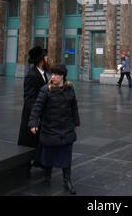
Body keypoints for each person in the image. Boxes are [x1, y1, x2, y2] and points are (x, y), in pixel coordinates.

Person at [29, 64, 80, 195]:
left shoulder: (69, 88)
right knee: (49, 153)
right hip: (50, 127)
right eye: (52, 74)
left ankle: (67, 180)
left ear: (62, 76)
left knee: (66, 155)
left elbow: (74, 107)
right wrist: (33, 123)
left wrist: (75, 123)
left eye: (56, 75)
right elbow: (37, 107)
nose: (53, 77)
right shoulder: (45, 89)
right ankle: (47, 176)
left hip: (66, 127)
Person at [18, 46, 49, 172]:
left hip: (39, 112)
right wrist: (35, 116)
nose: (47, 58)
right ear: (41, 59)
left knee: (36, 140)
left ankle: (38, 161)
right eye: (46, 56)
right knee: (29, 140)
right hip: (32, 114)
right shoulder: (32, 75)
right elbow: (29, 98)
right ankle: (24, 164)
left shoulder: (42, 73)